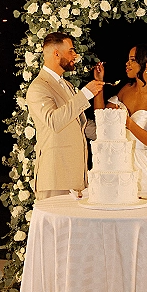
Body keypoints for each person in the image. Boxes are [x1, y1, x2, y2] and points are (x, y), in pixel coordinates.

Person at [93, 43, 147, 198]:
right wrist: (99, 83)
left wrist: (129, 124)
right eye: (128, 59)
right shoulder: (127, 89)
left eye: (132, 60)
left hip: (146, 166)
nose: (127, 63)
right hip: (120, 162)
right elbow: (103, 116)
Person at [26, 32, 104, 200]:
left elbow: (81, 125)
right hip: (55, 177)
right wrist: (84, 94)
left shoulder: (66, 85)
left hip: (76, 178)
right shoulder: (38, 87)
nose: (75, 55)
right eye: (71, 50)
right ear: (56, 53)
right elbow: (54, 121)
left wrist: (114, 133)